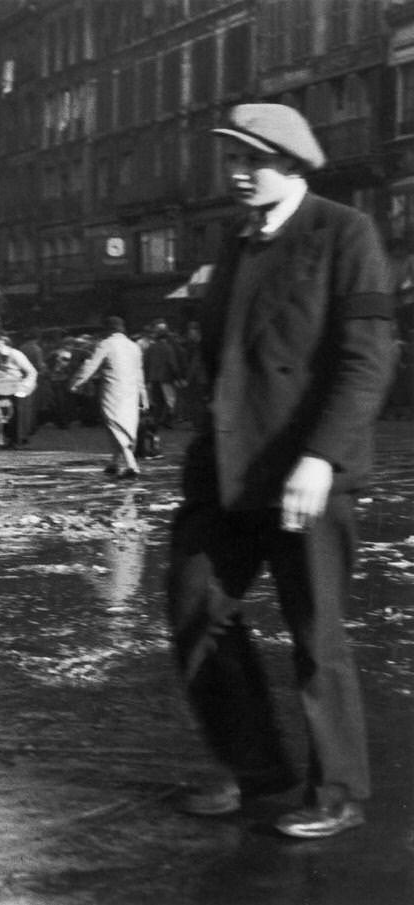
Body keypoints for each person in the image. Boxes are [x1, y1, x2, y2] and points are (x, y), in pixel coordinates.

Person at [166, 103, 397, 839]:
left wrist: (322, 457)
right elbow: (220, 360)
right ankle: (257, 767)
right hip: (229, 471)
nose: (236, 173)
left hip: (306, 470)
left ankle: (337, 789)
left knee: (315, 631)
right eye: (229, 158)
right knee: (195, 607)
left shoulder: (345, 232)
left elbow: (368, 358)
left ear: (293, 163)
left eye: (251, 160)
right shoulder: (234, 240)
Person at [68, 316, 147, 478]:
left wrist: (77, 383)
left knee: (114, 424)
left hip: (112, 389)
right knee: (125, 424)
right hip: (131, 391)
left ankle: (131, 463)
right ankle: (115, 462)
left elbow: (90, 365)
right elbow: (140, 373)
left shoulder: (106, 344)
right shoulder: (134, 347)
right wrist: (143, 395)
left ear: (107, 329)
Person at [0, 332, 37, 446]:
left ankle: (19, 440)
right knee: (11, 414)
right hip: (10, 387)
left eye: (0, 346)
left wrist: (25, 387)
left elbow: (32, 372)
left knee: (19, 415)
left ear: (7, 345)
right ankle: (13, 439)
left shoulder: (16, 354)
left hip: (21, 387)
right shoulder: (2, 356)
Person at [142, 319, 184, 428]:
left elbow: (145, 363)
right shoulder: (168, 348)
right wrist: (178, 378)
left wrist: (146, 378)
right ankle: (167, 421)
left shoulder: (151, 348)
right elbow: (172, 364)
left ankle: (155, 421)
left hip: (153, 378)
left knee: (157, 401)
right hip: (166, 378)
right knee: (170, 400)